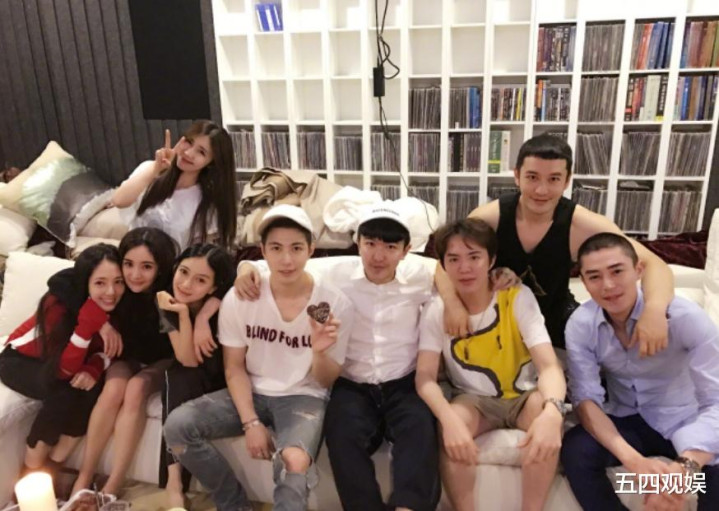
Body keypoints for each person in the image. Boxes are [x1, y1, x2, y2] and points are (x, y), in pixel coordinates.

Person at [234, 203, 469, 511]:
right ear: (358, 243)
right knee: (342, 436)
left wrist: (452, 302)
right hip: (351, 382)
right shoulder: (336, 271)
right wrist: (245, 270)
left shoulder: (416, 273)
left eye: (390, 247)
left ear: (406, 250)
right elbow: (269, 265)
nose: (378, 255)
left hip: (404, 381)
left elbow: (440, 268)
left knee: (420, 430)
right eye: (370, 243)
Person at [164, 205, 354, 511]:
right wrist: (250, 422)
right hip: (251, 389)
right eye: (276, 248)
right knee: (177, 426)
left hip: (303, 395)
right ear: (263, 251)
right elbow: (234, 367)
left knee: (294, 461)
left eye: (296, 248)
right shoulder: (242, 297)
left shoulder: (333, 302)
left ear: (311, 250)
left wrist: (319, 350)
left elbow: (324, 381)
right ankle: (234, 505)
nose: (287, 259)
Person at [468, 133, 674, 354]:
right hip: (495, 317)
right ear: (517, 176)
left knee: (606, 349)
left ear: (567, 181)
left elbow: (654, 263)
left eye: (554, 179)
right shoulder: (490, 218)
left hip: (556, 320)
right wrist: (453, 306)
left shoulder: (582, 223)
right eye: (532, 177)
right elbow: (447, 263)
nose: (541, 190)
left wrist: (654, 311)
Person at [561, 233, 719, 511]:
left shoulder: (685, 317)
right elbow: (585, 399)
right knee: (577, 450)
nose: (608, 285)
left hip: (684, 417)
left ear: (638, 270)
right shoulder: (581, 324)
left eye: (617, 271)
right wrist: (635, 463)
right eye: (594, 277)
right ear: (583, 282)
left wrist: (684, 469)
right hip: (628, 418)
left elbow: (715, 399)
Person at [416, 218, 566, 511]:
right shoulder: (437, 309)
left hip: (524, 397)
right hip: (474, 401)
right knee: (451, 424)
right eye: (454, 259)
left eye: (474, 257)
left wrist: (553, 412)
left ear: (492, 260)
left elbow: (549, 366)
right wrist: (447, 419)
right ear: (443, 265)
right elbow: (425, 377)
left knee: (545, 417)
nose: (465, 267)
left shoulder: (516, 296)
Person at [0, 244, 125, 480]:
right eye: (100, 283)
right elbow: (65, 370)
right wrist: (90, 322)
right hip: (19, 360)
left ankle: (53, 467)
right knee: (64, 392)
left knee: (92, 388)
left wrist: (93, 368)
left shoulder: (118, 307)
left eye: (118, 282)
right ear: (85, 283)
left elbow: (110, 351)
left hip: (61, 363)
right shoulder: (58, 306)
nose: (111, 291)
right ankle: (31, 472)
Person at [71, 228, 178, 496]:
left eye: (146, 267)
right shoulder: (117, 283)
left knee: (136, 388)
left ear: (160, 267)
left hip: (163, 360)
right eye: (128, 264)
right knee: (114, 388)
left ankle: (113, 484)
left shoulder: (169, 292)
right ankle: (84, 478)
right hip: (126, 356)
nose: (134, 275)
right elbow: (62, 281)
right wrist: (101, 323)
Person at [156, 243, 236, 508]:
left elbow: (236, 278)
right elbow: (187, 359)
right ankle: (174, 482)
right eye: (183, 272)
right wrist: (184, 315)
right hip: (192, 372)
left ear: (213, 287)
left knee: (179, 377)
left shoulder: (226, 301)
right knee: (176, 377)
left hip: (224, 377)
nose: (186, 284)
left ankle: (176, 483)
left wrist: (203, 317)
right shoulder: (166, 301)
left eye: (200, 280)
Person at [112, 120, 238, 251]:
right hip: (132, 258)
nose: (188, 153)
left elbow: (199, 254)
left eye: (201, 152)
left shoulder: (206, 203)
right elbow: (119, 200)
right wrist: (156, 169)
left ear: (211, 163)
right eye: (189, 142)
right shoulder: (149, 170)